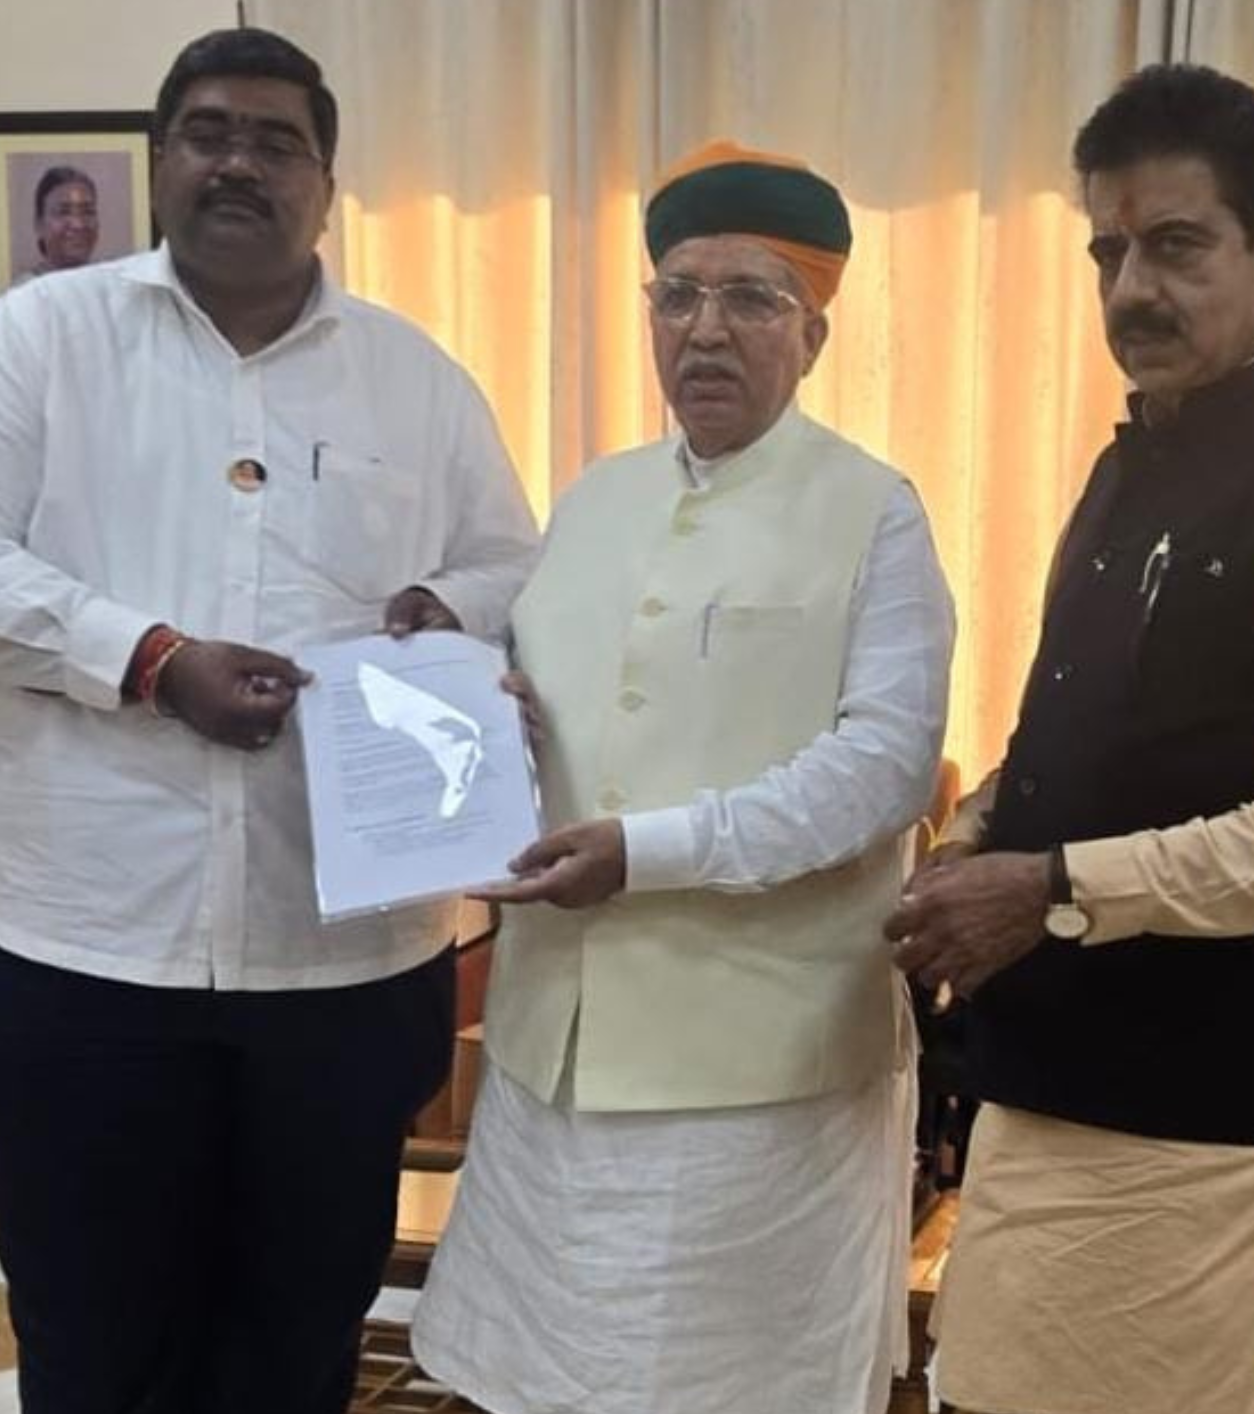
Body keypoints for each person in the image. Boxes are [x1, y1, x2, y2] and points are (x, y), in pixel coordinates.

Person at [0, 27, 538, 1414]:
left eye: (277, 141)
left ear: (327, 184)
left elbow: (510, 569)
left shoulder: (415, 379)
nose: (241, 163)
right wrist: (147, 657)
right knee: (95, 1347)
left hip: (342, 962)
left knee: (297, 1345)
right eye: (210, 133)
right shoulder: (45, 339)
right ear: (160, 160)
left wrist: (443, 605)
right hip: (81, 950)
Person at [889, 65, 1254, 1414]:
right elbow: (1074, 731)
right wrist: (970, 846)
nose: (1129, 289)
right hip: (1043, 1096)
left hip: (1214, 1140)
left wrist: (1046, 889)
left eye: (1174, 245)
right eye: (1107, 251)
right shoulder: (1132, 460)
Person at [411, 140, 956, 1414]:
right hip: (553, 1055)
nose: (705, 329)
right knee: (546, 1377)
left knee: (732, 1387)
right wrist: (490, 711)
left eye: (751, 297)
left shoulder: (873, 511)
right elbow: (554, 704)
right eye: (677, 294)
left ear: (813, 334)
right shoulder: (592, 499)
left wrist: (644, 851)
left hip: (756, 1075)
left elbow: (880, 770)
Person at [17, 164, 100, 281]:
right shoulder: (27, 289)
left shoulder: (108, 285)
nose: (78, 224)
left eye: (88, 212)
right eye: (63, 212)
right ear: (39, 224)